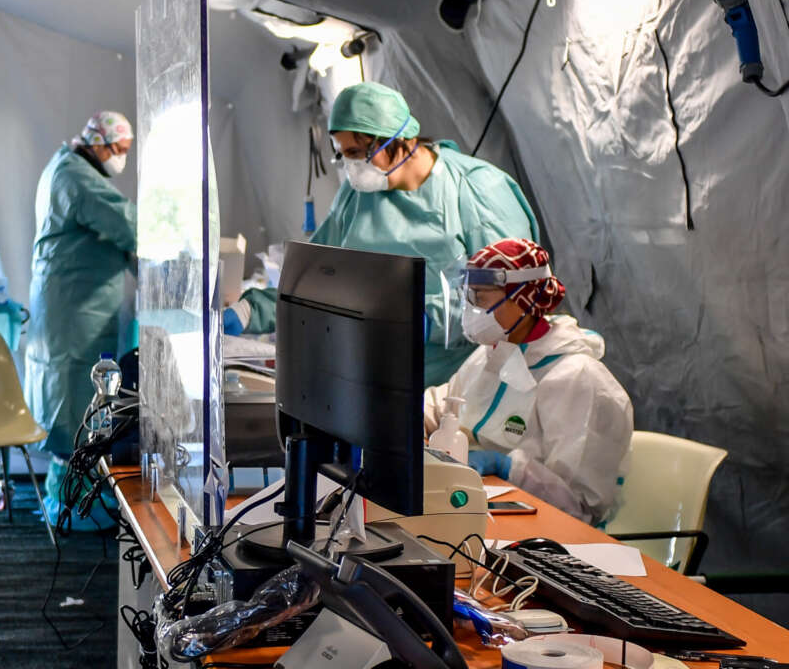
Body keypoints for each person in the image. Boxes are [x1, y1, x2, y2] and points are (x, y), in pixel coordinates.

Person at [224, 81, 539, 386]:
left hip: (457, 384)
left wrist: (423, 319)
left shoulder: (476, 189)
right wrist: (253, 310)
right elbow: (315, 275)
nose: (351, 165)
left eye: (357, 152)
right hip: (370, 377)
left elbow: (511, 299)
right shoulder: (355, 196)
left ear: (399, 140)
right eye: (343, 154)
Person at [425, 238, 633, 525]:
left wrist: (510, 468)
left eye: (480, 298)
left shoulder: (579, 379)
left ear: (524, 298)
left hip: (554, 533)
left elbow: (579, 506)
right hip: (484, 510)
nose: (470, 309)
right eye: (467, 296)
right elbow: (446, 403)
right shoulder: (492, 353)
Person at [25, 111, 136, 529]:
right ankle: (78, 506)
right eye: (120, 150)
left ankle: (68, 499)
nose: (121, 159)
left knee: (71, 394)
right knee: (77, 400)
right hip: (75, 312)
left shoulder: (64, 167)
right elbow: (125, 222)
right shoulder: (77, 178)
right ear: (101, 145)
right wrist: (173, 236)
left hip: (68, 305)